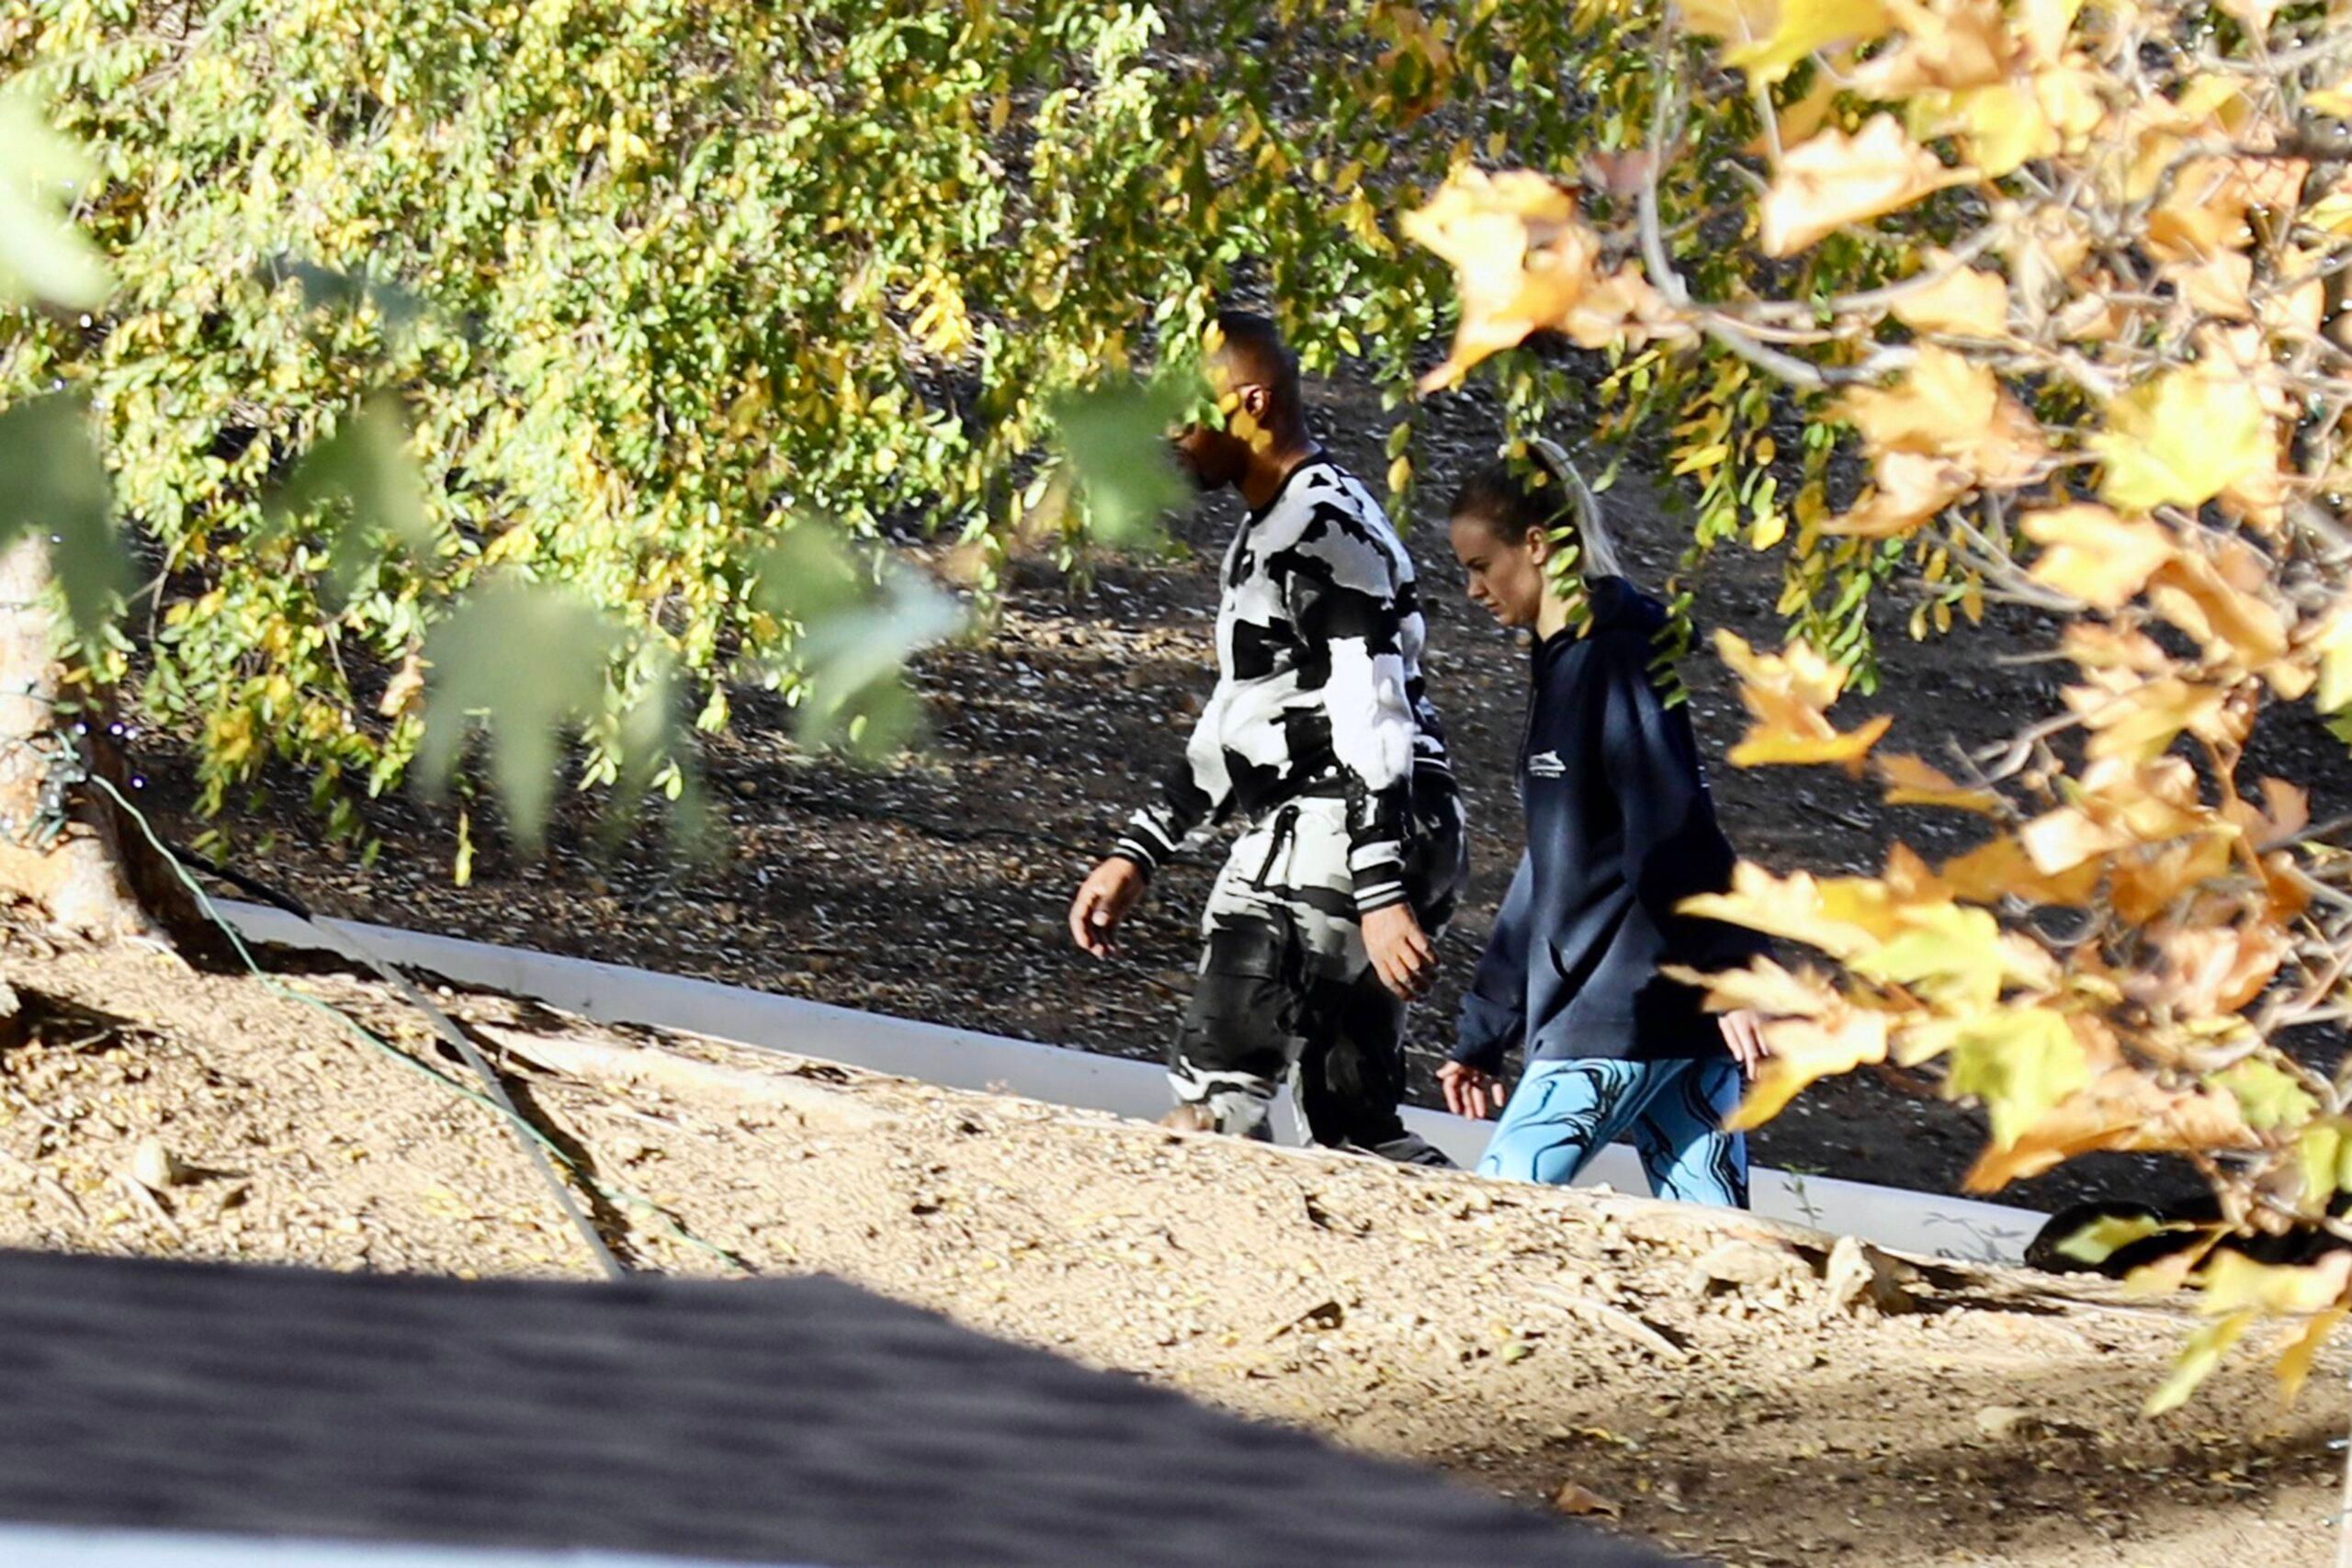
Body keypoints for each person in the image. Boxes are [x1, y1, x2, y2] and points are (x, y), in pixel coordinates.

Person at [1067, 310, 1466, 1166]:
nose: (1170, 441)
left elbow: (1373, 706)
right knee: (1356, 1129)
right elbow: (1246, 718)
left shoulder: (1321, 528)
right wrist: (1140, 849)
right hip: (1366, 828)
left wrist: (1382, 889)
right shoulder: (1276, 529)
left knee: (1219, 1093)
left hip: (1343, 826)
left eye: (1184, 417)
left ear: (1250, 401)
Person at [1436, 441, 1769, 1207]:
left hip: (1614, 1022)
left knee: (1494, 1227)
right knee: (1727, 1261)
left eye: (1481, 566)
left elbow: (1674, 828)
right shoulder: (1566, 664)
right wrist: (1487, 1026)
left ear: (1537, 546)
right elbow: (1553, 862)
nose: (1472, 588)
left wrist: (1736, 968)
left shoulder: (1614, 661)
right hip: (1672, 1030)